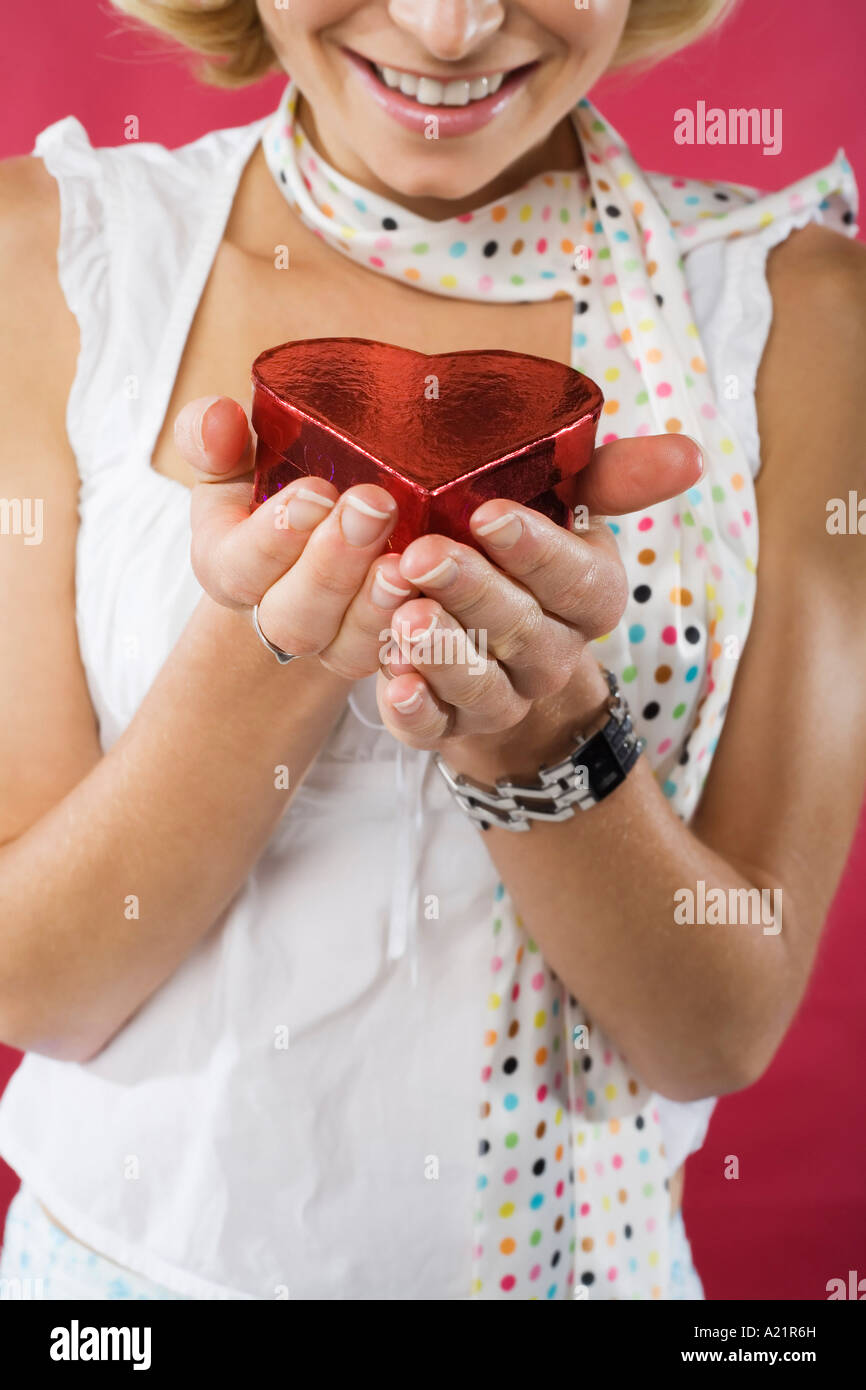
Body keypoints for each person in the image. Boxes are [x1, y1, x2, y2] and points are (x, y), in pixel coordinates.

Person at [0, 0, 863, 1301]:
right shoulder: (50, 257)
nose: (446, 27)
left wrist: (542, 731)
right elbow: (33, 983)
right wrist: (274, 649)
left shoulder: (802, 315)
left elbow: (715, 1030)